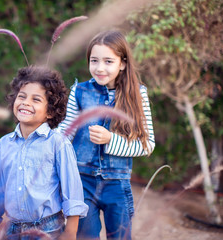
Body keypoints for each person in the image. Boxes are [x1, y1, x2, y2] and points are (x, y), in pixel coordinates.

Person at [58, 30, 155, 240]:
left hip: (117, 184)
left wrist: (111, 139)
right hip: (81, 182)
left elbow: (147, 144)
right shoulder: (80, 91)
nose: (100, 68)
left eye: (108, 61)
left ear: (122, 63)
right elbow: (66, 131)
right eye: (94, 60)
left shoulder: (138, 94)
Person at [0, 65, 88, 240]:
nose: (26, 102)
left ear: (50, 111)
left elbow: (72, 191)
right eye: (22, 96)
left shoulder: (57, 143)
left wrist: (71, 232)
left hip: (48, 229)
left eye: (36, 99)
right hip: (12, 229)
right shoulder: (4, 144)